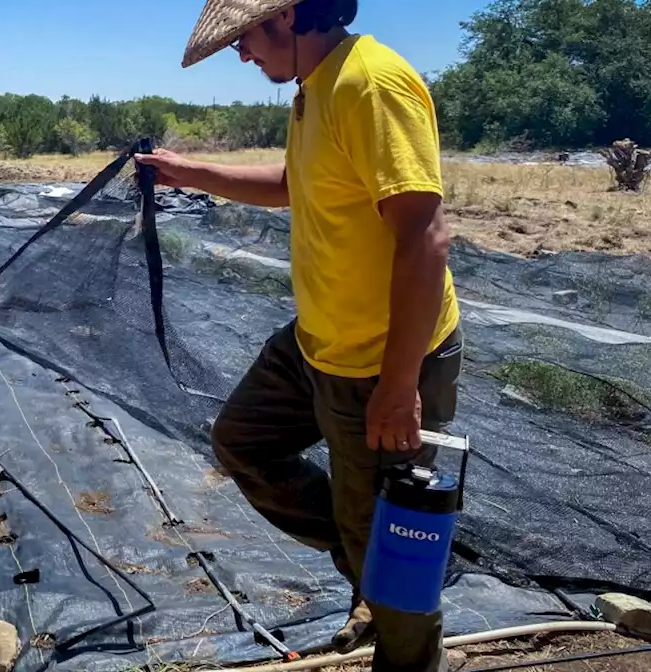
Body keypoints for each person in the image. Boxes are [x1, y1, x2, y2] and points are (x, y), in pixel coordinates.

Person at [136, 1, 463, 670]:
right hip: (317, 342)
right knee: (242, 441)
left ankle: (400, 639)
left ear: (287, 15)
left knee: (395, 550)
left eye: (244, 38)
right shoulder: (315, 88)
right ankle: (362, 559)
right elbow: (297, 185)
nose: (241, 53)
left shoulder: (369, 82)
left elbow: (425, 236)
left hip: (382, 357)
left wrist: (400, 386)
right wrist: (189, 172)